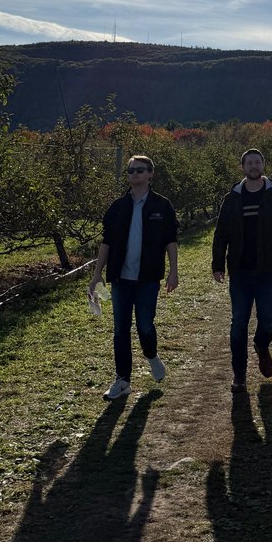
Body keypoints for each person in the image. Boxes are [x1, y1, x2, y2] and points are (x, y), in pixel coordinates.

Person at [89, 154, 179, 400]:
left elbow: (171, 240)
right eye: (131, 171)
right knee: (120, 330)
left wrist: (174, 271)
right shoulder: (117, 208)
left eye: (140, 170)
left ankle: (151, 355)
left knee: (145, 325)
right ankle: (123, 380)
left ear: (151, 174)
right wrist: (97, 275)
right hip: (120, 279)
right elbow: (106, 243)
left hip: (148, 279)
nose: (135, 174)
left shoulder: (162, 206)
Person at [212, 148, 272, 393]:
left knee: (268, 319)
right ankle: (239, 375)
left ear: (263, 165)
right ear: (243, 168)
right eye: (249, 163)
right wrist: (218, 264)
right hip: (240, 272)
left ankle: (261, 346)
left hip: (268, 270)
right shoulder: (233, 198)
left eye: (257, 162)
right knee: (238, 323)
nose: (253, 166)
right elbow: (221, 233)